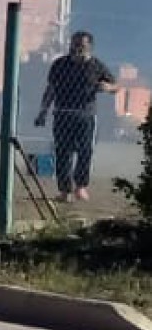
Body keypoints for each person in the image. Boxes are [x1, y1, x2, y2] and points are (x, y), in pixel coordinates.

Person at [36, 30, 118, 202]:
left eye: (81, 45)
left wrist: (107, 88)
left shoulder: (96, 66)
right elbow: (50, 89)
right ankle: (65, 191)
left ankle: (80, 187)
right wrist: (43, 112)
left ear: (90, 47)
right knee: (63, 152)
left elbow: (115, 86)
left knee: (85, 151)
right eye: (74, 44)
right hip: (63, 113)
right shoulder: (60, 64)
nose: (76, 49)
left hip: (86, 115)